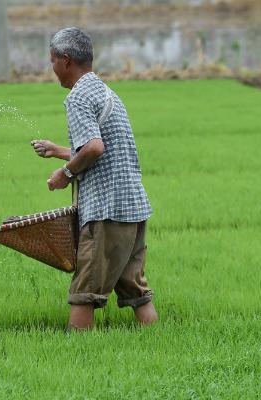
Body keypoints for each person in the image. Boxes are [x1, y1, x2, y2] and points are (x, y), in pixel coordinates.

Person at [31, 27, 158, 329]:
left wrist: (65, 173)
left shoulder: (78, 97)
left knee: (83, 292)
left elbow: (95, 147)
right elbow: (102, 147)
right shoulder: (104, 91)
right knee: (135, 288)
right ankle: (156, 338)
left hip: (106, 210)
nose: (52, 69)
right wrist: (59, 151)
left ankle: (75, 361)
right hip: (133, 207)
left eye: (52, 62)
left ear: (65, 60)